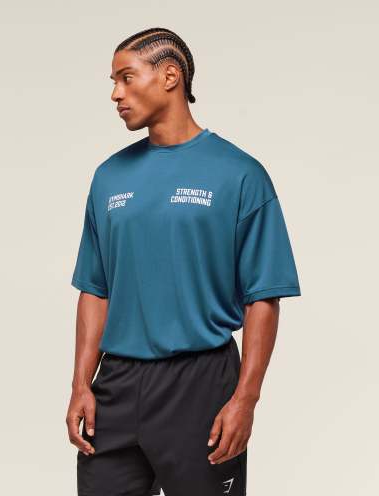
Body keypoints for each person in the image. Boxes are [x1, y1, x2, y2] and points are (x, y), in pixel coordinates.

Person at [66, 27, 301, 496]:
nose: (116, 94)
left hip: (200, 382)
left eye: (127, 78)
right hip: (116, 383)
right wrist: (80, 384)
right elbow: (96, 288)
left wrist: (246, 399)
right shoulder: (109, 177)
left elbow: (263, 298)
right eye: (113, 82)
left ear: (170, 76)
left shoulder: (240, 174)